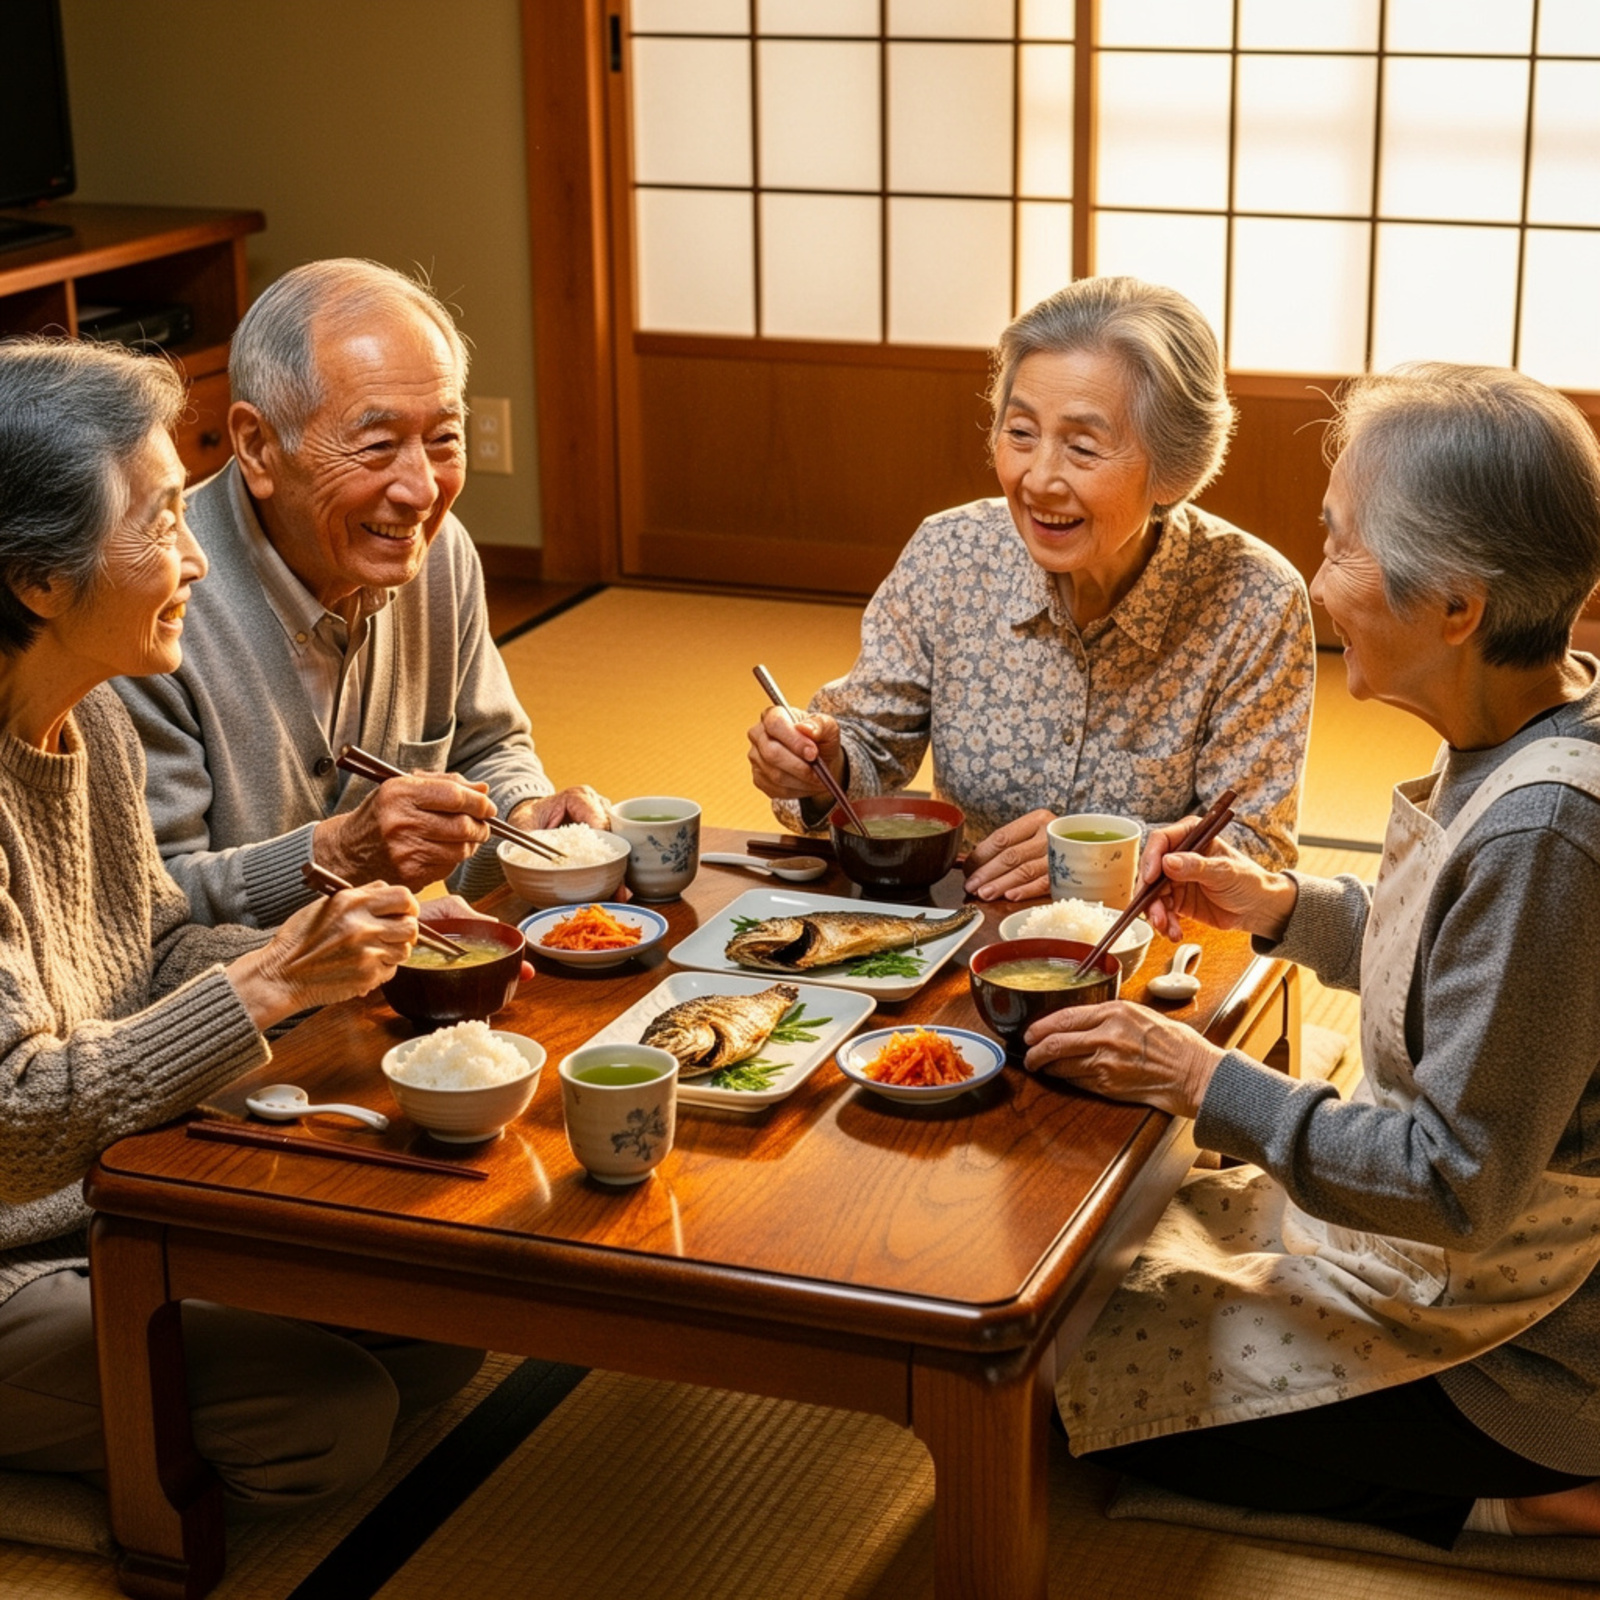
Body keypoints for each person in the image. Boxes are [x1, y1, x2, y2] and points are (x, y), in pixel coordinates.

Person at [1030, 362, 1600, 1547]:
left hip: (1524, 1344)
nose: (1317, 578)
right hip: (1447, 1263)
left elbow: (1455, 1180)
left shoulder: (1548, 830)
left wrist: (1198, 1078)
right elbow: (1455, 961)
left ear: (1456, 605)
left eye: (1338, 545)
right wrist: (1278, 905)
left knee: (1064, 1380)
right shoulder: (1535, 713)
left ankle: (1539, 1497)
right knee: (1120, 1276)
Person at [0, 337, 482, 1510]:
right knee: (327, 1416)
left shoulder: (90, 715)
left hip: (111, 1189)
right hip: (15, 1239)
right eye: (165, 521)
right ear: (39, 580)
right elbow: (12, 1121)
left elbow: (153, 951)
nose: (196, 563)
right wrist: (269, 987)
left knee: (445, 1320)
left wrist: (329, 956)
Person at [747, 277, 1315, 901]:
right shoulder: (951, 554)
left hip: (1150, 947)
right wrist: (820, 764)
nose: (1038, 478)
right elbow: (872, 745)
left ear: (1173, 466)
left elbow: (1256, 844)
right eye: (1020, 433)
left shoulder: (1253, 598)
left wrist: (1093, 855)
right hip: (967, 926)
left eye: (1082, 446)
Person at [113, 258, 606, 928]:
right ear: (257, 446)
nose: (422, 491)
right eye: (377, 445)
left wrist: (526, 814)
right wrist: (340, 853)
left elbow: (486, 746)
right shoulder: (152, 604)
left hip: (381, 979)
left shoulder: (436, 552)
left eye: (443, 439)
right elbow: (147, 906)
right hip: (237, 1013)